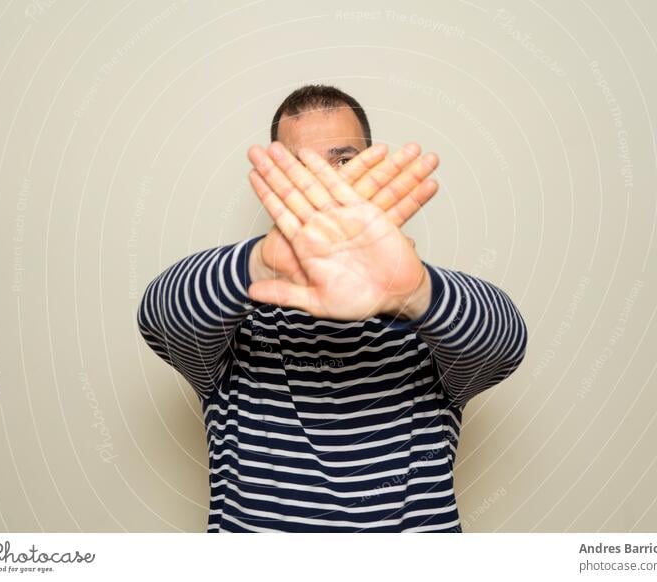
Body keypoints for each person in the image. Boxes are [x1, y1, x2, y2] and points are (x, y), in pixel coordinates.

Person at [137, 84, 528, 532]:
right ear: (277, 184)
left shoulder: (428, 321)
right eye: (303, 168)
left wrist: (414, 292)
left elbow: (507, 343)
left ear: (372, 167)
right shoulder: (235, 320)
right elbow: (158, 315)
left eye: (343, 161)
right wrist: (263, 262)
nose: (328, 183)